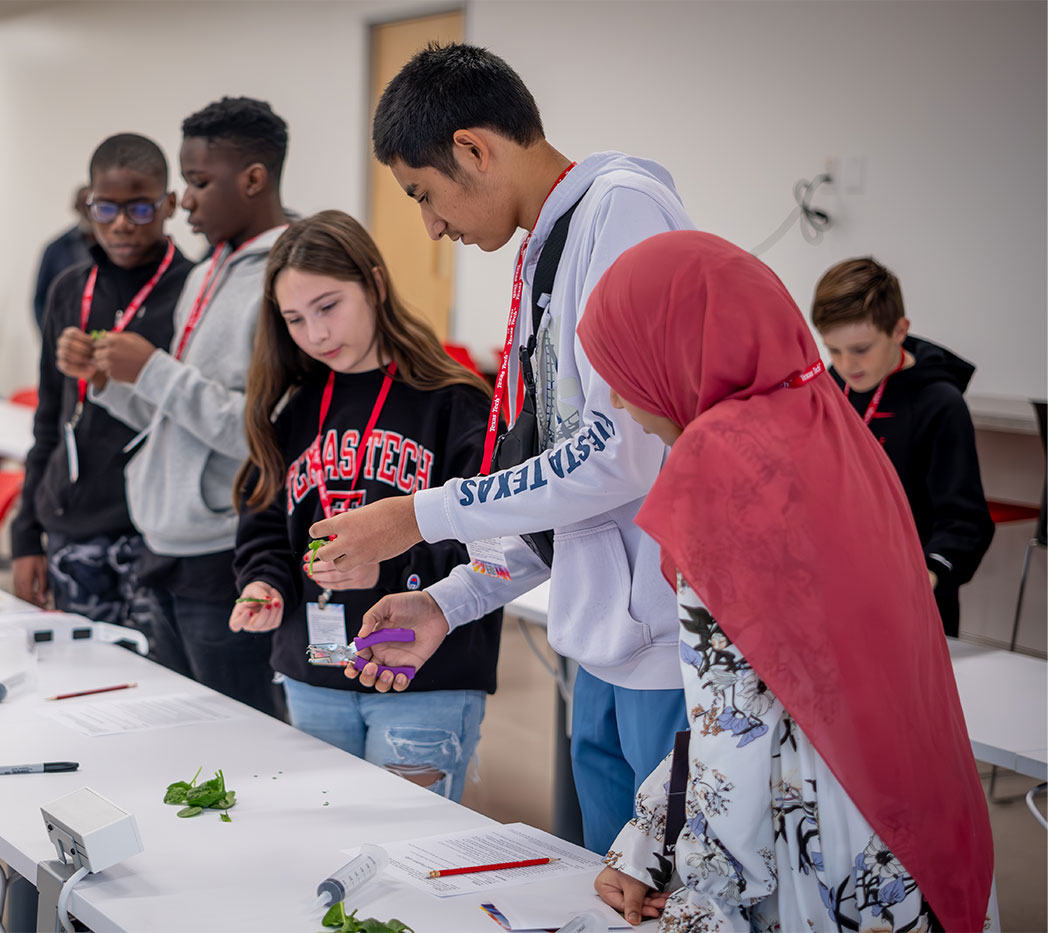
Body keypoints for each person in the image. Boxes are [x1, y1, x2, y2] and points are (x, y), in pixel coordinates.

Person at [306, 43, 692, 851]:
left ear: (474, 149)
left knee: (667, 889)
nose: (431, 224)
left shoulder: (621, 210)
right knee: (605, 877)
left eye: (424, 193)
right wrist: (450, 601)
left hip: (666, 646)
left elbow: (620, 455)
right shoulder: (547, 243)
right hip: (602, 640)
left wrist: (420, 514)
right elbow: (562, 486)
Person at [574, 230, 994, 933]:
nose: (618, 398)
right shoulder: (821, 418)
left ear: (674, 351)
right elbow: (755, 688)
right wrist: (646, 840)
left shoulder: (719, 464)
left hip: (818, 847)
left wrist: (695, 900)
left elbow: (730, 728)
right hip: (913, 829)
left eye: (625, 368)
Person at [231, 210, 501, 800]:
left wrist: (388, 569)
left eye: (329, 307)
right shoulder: (293, 407)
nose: (316, 335)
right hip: (314, 673)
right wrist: (266, 583)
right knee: (327, 838)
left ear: (375, 284)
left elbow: (494, 541)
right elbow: (265, 528)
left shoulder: (454, 402)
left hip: (424, 674)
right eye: (295, 319)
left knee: (407, 850)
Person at [56, 97, 290, 717]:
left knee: (236, 741)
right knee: (186, 738)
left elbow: (263, 434)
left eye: (198, 183)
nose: (183, 201)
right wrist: (111, 382)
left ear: (253, 180)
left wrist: (152, 369)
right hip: (167, 541)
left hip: (224, 549)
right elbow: (174, 421)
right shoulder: (207, 272)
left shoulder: (287, 278)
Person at [11, 135, 194, 630]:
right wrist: (26, 534)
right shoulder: (70, 289)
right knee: (84, 683)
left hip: (155, 532)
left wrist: (143, 370)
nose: (119, 224)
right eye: (104, 208)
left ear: (169, 205)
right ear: (87, 203)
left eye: (139, 209)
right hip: (75, 525)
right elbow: (49, 419)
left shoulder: (193, 292)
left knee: (159, 694)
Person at [811, 257, 994, 636]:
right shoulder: (827, 391)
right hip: (833, 592)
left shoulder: (940, 404)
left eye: (860, 349)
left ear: (899, 330)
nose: (846, 364)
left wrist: (923, 577)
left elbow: (964, 521)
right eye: (833, 351)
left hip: (910, 603)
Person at [32, 184, 96, 328]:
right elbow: (40, 300)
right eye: (83, 206)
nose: (88, 212)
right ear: (75, 207)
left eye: (92, 206)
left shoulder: (114, 249)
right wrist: (50, 338)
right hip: (66, 330)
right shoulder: (56, 249)